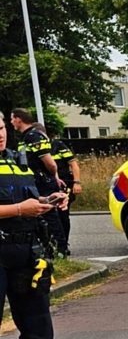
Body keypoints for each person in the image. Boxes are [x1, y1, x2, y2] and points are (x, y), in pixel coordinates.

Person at [0, 112, 79, 339]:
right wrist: (21, 208)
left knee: (38, 327)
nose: (0, 134)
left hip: (25, 255)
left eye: (2, 128)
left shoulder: (18, 160)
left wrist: (49, 201)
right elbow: (18, 206)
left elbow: (29, 199)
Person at [9, 109, 69, 257]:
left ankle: (60, 248)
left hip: (42, 181)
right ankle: (47, 247)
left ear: (18, 119)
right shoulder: (25, 137)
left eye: (12, 119)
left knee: (50, 215)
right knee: (40, 215)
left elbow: (50, 163)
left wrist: (51, 177)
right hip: (33, 180)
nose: (10, 122)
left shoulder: (33, 136)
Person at [33, 123, 80, 245]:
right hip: (44, 184)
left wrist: (77, 182)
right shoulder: (35, 148)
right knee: (46, 216)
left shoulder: (57, 145)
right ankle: (50, 243)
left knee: (62, 215)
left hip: (63, 184)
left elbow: (73, 164)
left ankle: (64, 243)